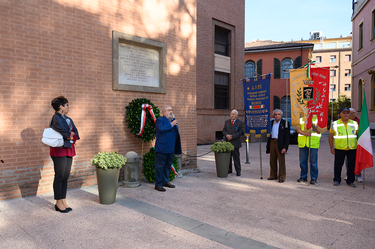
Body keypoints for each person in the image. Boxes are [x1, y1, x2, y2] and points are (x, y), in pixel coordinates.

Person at [49, 96, 79, 213]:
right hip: (59, 150)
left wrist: (71, 134)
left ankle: (63, 200)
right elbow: (65, 132)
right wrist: (70, 134)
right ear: (60, 107)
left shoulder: (68, 118)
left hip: (68, 149)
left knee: (65, 176)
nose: (68, 107)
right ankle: (58, 202)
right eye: (66, 105)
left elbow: (75, 132)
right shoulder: (56, 118)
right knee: (59, 176)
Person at [328, 107, 358, 188]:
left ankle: (350, 181)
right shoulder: (335, 123)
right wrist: (331, 147)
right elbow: (330, 136)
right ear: (340, 114)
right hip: (339, 148)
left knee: (351, 165)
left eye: (347, 113)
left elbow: (359, 135)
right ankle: (337, 180)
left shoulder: (354, 123)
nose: (346, 114)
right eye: (344, 113)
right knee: (338, 165)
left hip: (352, 148)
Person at [154, 105, 181, 192]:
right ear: (164, 112)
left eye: (171, 110)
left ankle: (165, 181)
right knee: (159, 166)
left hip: (171, 148)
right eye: (169, 110)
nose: (171, 112)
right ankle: (158, 184)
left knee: (167, 165)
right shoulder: (160, 120)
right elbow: (161, 129)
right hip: (162, 148)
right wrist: (172, 124)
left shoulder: (172, 121)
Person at [266, 109, 290, 183]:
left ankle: (281, 177)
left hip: (280, 143)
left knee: (281, 161)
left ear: (281, 115)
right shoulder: (271, 122)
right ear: (274, 115)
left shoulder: (285, 123)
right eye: (275, 114)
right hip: (272, 142)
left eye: (278, 114)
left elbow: (287, 137)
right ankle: (273, 175)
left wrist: (285, 147)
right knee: (272, 160)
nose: (277, 116)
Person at [296, 116, 321, 185]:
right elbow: (298, 129)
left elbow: (319, 131)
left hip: (313, 144)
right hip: (303, 143)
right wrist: (305, 134)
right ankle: (303, 177)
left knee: (313, 162)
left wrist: (313, 125)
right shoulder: (301, 119)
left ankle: (313, 178)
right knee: (302, 161)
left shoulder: (318, 120)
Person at [222, 109, 244, 176]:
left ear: (237, 115)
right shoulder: (226, 122)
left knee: (236, 157)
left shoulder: (240, 122)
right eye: (231, 114)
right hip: (228, 142)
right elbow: (224, 130)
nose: (232, 115)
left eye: (234, 114)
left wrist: (232, 136)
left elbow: (241, 132)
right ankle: (229, 170)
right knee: (228, 157)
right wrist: (226, 135)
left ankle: (238, 171)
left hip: (235, 142)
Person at [349, 108, 362, 182]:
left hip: (358, 144)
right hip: (349, 145)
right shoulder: (345, 121)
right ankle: (349, 174)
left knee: (358, 160)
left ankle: (359, 175)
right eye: (351, 113)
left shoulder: (359, 121)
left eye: (354, 113)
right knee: (349, 161)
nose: (353, 114)